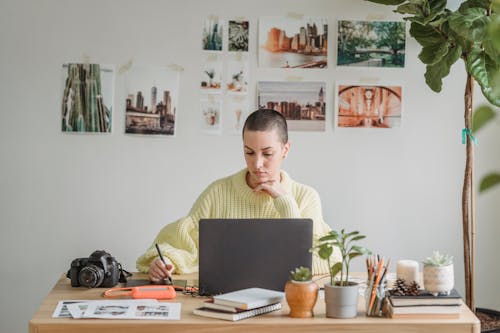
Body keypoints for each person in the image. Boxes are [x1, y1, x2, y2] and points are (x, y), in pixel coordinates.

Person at [137, 109, 339, 282]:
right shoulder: (218, 192)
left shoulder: (306, 196)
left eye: (267, 154)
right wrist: (164, 263)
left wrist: (285, 202)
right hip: (224, 299)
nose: (257, 164)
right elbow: (183, 243)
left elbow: (328, 261)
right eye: (249, 153)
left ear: (285, 150)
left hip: (285, 301)